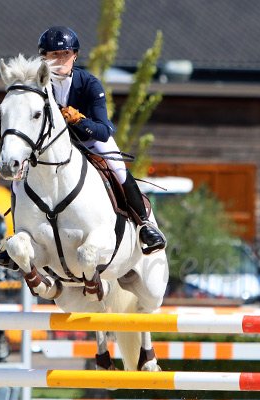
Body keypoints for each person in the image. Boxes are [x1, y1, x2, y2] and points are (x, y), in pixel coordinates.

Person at [37, 25, 166, 254]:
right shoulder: (36, 85)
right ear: (43, 57)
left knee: (117, 167)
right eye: (54, 55)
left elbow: (104, 131)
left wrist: (78, 120)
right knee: (20, 173)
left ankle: (144, 224)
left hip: (88, 141)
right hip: (50, 147)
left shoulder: (89, 84)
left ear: (74, 55)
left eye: (65, 54)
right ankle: (18, 230)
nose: (60, 60)